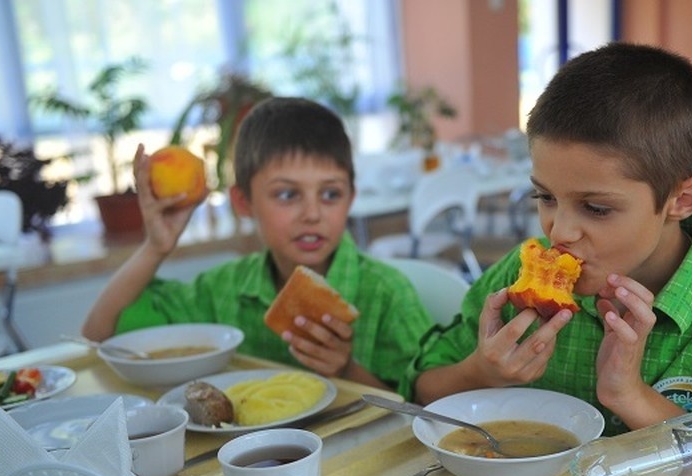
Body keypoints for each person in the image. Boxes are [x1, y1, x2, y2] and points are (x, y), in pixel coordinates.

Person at [401, 43, 692, 476]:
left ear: (681, 201)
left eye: (596, 208)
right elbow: (419, 391)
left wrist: (632, 396)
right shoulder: (514, 274)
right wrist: (480, 372)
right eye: (545, 197)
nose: (560, 232)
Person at [82, 97, 434, 391]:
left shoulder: (387, 294)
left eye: (330, 194)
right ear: (243, 202)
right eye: (287, 194)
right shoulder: (223, 290)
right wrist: (155, 247)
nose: (312, 214)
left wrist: (347, 371)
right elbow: (99, 336)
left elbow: (428, 410)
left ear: (351, 198)